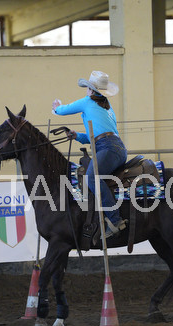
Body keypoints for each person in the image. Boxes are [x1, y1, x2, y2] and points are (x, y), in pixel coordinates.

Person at [52, 70, 128, 238]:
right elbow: (94, 137)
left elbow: (63, 110)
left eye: (87, 88)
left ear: (91, 90)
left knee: (91, 177)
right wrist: (77, 136)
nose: (86, 91)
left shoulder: (87, 102)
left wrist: (56, 107)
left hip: (107, 148)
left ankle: (115, 219)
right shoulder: (107, 107)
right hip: (117, 148)